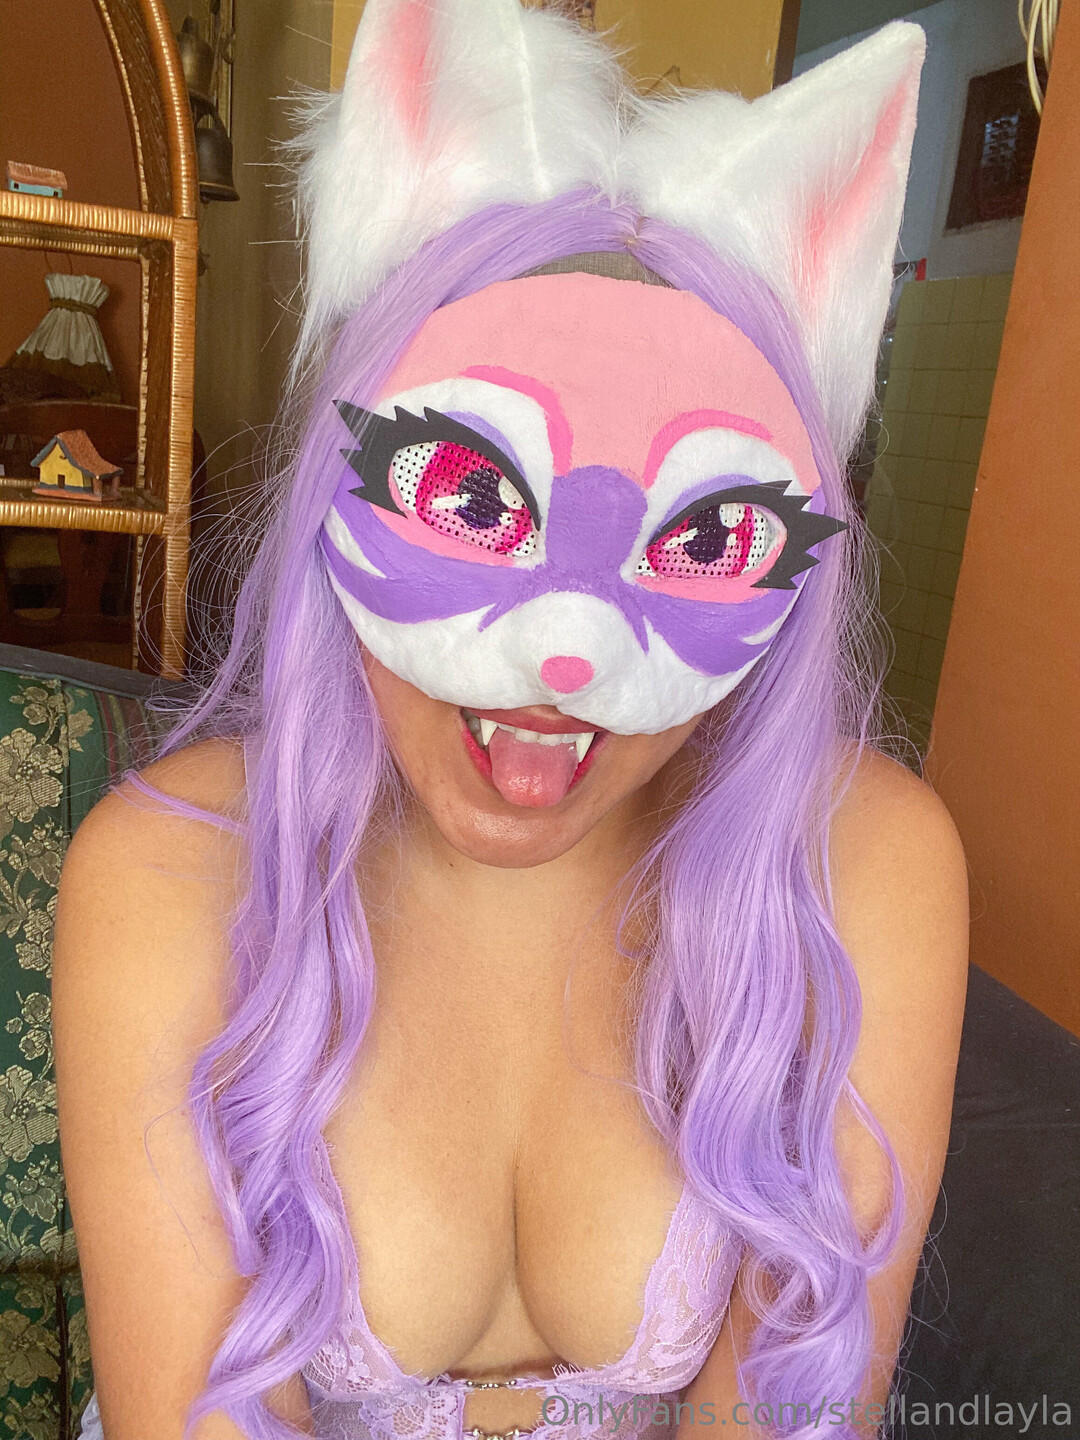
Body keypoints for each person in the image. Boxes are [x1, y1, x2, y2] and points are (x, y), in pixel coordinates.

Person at [53, 4, 968, 1438]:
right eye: (471, 499)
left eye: (703, 537)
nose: (567, 653)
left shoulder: (862, 862)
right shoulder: (173, 869)